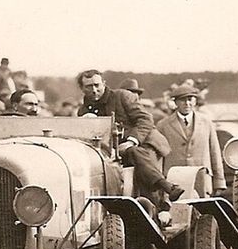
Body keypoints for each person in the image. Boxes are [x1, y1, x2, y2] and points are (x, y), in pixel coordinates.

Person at [77, 69, 182, 201]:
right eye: (89, 86)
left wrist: (132, 141)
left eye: (97, 85)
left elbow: (145, 119)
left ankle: (161, 198)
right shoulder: (83, 111)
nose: (94, 90)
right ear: (82, 89)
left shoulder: (122, 96)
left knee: (135, 154)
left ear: (104, 83)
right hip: (112, 150)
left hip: (144, 143)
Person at [154, 83, 226, 195]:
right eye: (182, 100)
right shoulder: (163, 125)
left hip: (202, 179)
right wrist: (161, 184)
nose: (187, 103)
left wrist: (219, 182)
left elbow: (215, 153)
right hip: (174, 182)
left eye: (190, 99)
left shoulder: (207, 123)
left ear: (195, 101)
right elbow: (158, 158)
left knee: (203, 210)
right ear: (175, 103)